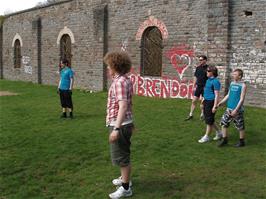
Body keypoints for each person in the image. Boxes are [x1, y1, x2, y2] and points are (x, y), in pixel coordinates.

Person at [104, 51, 134, 199]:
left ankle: (126, 188)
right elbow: (128, 104)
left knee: (122, 158)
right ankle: (125, 179)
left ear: (115, 66)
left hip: (120, 124)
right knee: (124, 154)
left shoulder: (120, 82)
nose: (108, 69)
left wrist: (116, 128)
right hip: (125, 123)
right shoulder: (125, 80)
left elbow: (123, 106)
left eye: (109, 66)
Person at [217, 69, 247, 147]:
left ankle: (241, 142)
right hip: (229, 108)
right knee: (223, 123)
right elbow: (228, 95)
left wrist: (236, 110)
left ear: (240, 76)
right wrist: (221, 102)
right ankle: (225, 139)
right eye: (233, 74)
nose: (233, 75)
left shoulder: (243, 85)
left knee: (240, 126)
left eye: (235, 74)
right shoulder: (232, 83)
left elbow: (242, 99)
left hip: (237, 110)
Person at [198, 65, 222, 143]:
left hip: (211, 102)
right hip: (206, 101)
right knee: (209, 119)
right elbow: (206, 91)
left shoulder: (216, 82)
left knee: (209, 121)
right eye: (206, 71)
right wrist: (203, 99)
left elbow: (217, 95)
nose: (206, 72)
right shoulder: (208, 80)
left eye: (208, 71)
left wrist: (215, 106)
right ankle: (219, 132)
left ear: (213, 72)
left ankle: (207, 136)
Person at [185, 55, 208, 121]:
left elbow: (210, 78)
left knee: (202, 102)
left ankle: (202, 115)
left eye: (201, 60)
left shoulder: (208, 68)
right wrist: (193, 85)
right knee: (194, 101)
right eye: (199, 60)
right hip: (199, 87)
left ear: (205, 60)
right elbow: (195, 77)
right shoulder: (198, 68)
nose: (200, 61)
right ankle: (190, 114)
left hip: (205, 87)